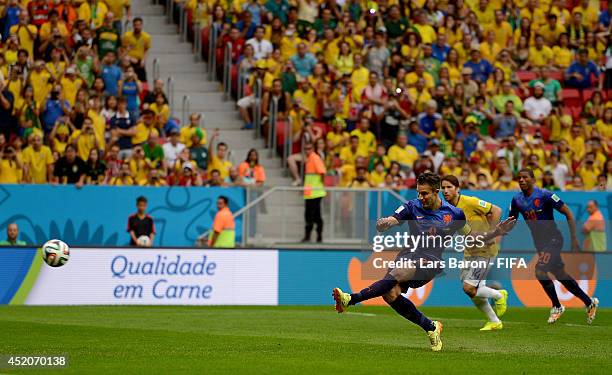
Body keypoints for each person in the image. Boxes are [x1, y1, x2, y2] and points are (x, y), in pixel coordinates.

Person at [332, 172, 514, 351]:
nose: (421, 197)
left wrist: (495, 233)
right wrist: (385, 222)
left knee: (398, 274)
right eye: (419, 192)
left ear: (436, 191)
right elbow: (393, 219)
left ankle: (351, 299)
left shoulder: (455, 214)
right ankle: (431, 327)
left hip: (431, 261)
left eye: (425, 193)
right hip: (407, 255)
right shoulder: (412, 206)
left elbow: (470, 237)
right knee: (390, 294)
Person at [507, 169, 599, 324]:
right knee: (561, 274)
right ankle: (589, 302)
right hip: (540, 244)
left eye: (525, 177)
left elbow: (568, 213)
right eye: (519, 178)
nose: (521, 180)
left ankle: (557, 306)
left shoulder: (545, 195)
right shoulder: (516, 200)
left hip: (554, 239)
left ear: (533, 180)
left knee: (540, 271)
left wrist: (574, 238)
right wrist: (500, 230)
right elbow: (511, 221)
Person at [441, 175, 508, 331]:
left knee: (469, 287)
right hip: (470, 251)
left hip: (485, 250)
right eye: (443, 188)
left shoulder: (469, 202)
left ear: (457, 189)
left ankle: (499, 295)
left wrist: (492, 233)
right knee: (472, 292)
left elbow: (496, 210)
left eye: (449, 187)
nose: (446, 190)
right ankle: (494, 321)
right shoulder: (448, 209)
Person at [302, 141, 326, 243]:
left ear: (313, 149)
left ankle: (315, 236)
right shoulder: (309, 159)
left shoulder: (314, 158)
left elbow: (322, 172)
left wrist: (321, 184)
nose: (307, 151)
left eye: (309, 149)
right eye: (306, 149)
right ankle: (313, 236)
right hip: (310, 193)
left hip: (315, 193)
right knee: (311, 215)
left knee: (313, 215)